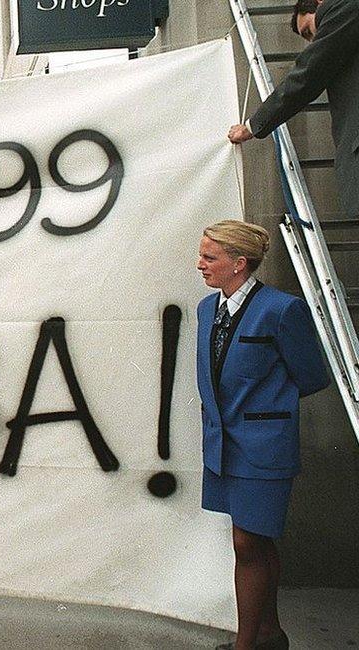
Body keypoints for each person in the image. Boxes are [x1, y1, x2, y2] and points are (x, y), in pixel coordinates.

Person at [196, 220, 329, 650]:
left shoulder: (281, 309)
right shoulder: (205, 309)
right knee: (256, 538)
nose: (200, 265)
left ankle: (245, 644)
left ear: (239, 263)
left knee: (246, 540)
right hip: (223, 445)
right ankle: (270, 634)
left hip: (263, 448)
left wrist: (267, 412)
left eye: (209, 257)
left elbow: (310, 375)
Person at [227, 0, 359, 218]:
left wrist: (252, 126)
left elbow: (308, 74)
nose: (313, 41)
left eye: (308, 31)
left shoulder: (344, 8)